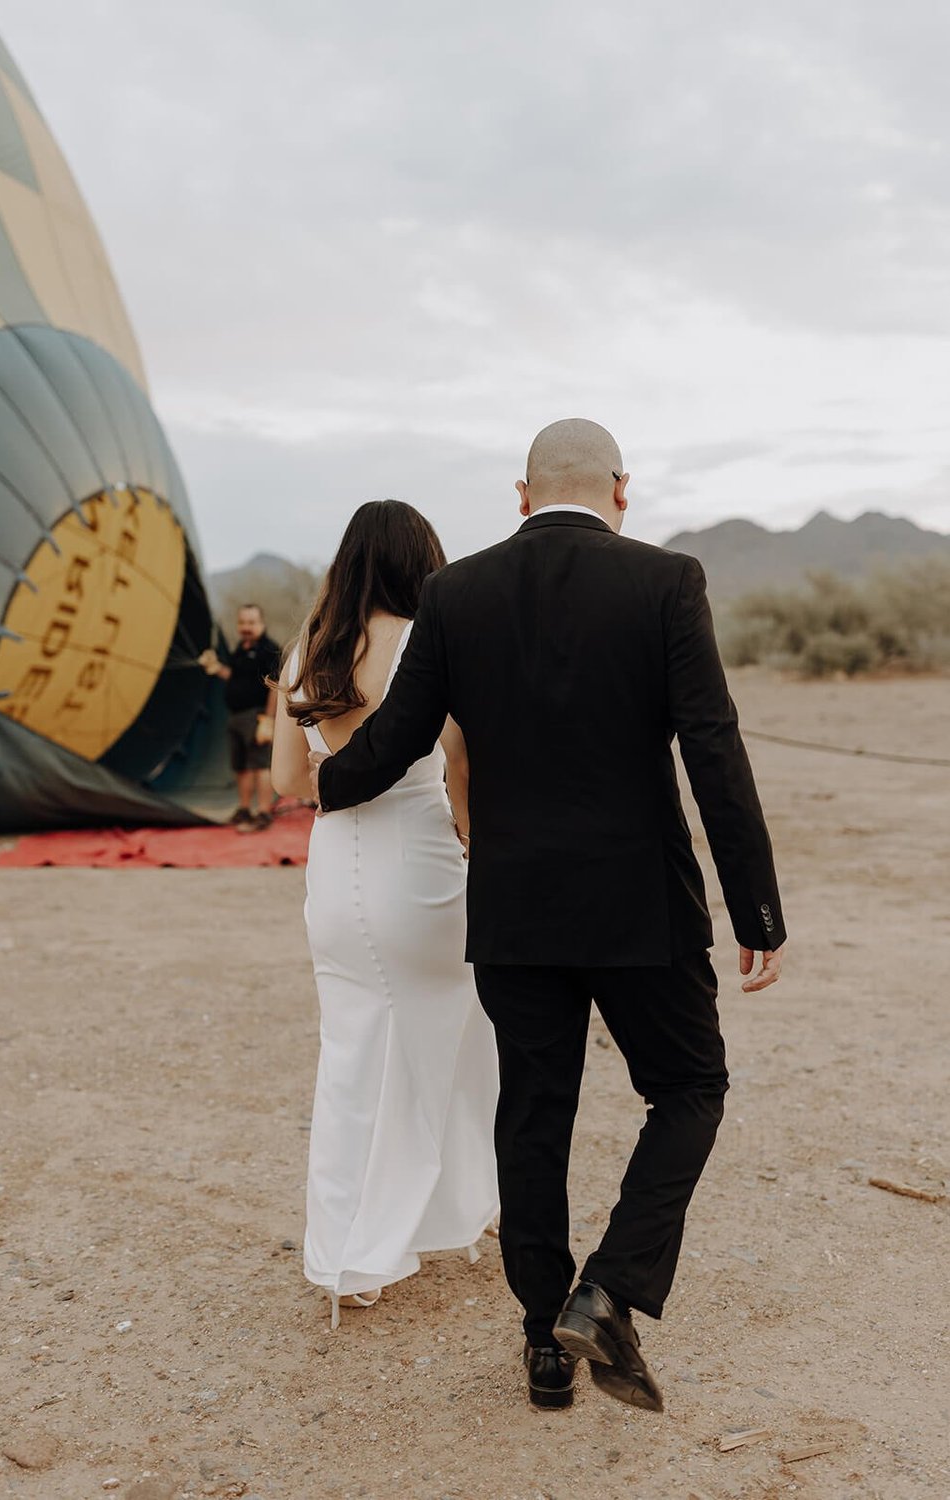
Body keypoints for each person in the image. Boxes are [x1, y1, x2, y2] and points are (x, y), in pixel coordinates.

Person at [309, 419, 786, 1412]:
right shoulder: (666, 582)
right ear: (622, 489)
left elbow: (397, 739)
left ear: (520, 494)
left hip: (513, 904)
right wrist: (756, 906)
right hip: (639, 903)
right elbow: (712, 747)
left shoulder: (457, 592)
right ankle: (608, 1287)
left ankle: (542, 1348)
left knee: (532, 1118)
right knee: (689, 1087)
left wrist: (328, 780)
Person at [270, 500, 499, 1330]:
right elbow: (462, 764)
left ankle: (347, 1256)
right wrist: (476, 842)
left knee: (353, 1055)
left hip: (335, 871)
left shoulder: (307, 649)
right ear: (420, 561)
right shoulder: (426, 639)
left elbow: (286, 785)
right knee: (460, 1036)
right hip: (421, 863)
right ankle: (460, 1205)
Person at [200, 604, 280, 831]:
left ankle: (264, 812)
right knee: (241, 766)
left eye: (251, 622)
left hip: (256, 716)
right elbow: (236, 678)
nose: (246, 627)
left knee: (260, 765)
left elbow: (275, 686)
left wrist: (268, 718)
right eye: (243, 622)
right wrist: (216, 668)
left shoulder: (269, 651)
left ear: (261, 624)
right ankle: (244, 809)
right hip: (236, 717)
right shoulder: (240, 649)